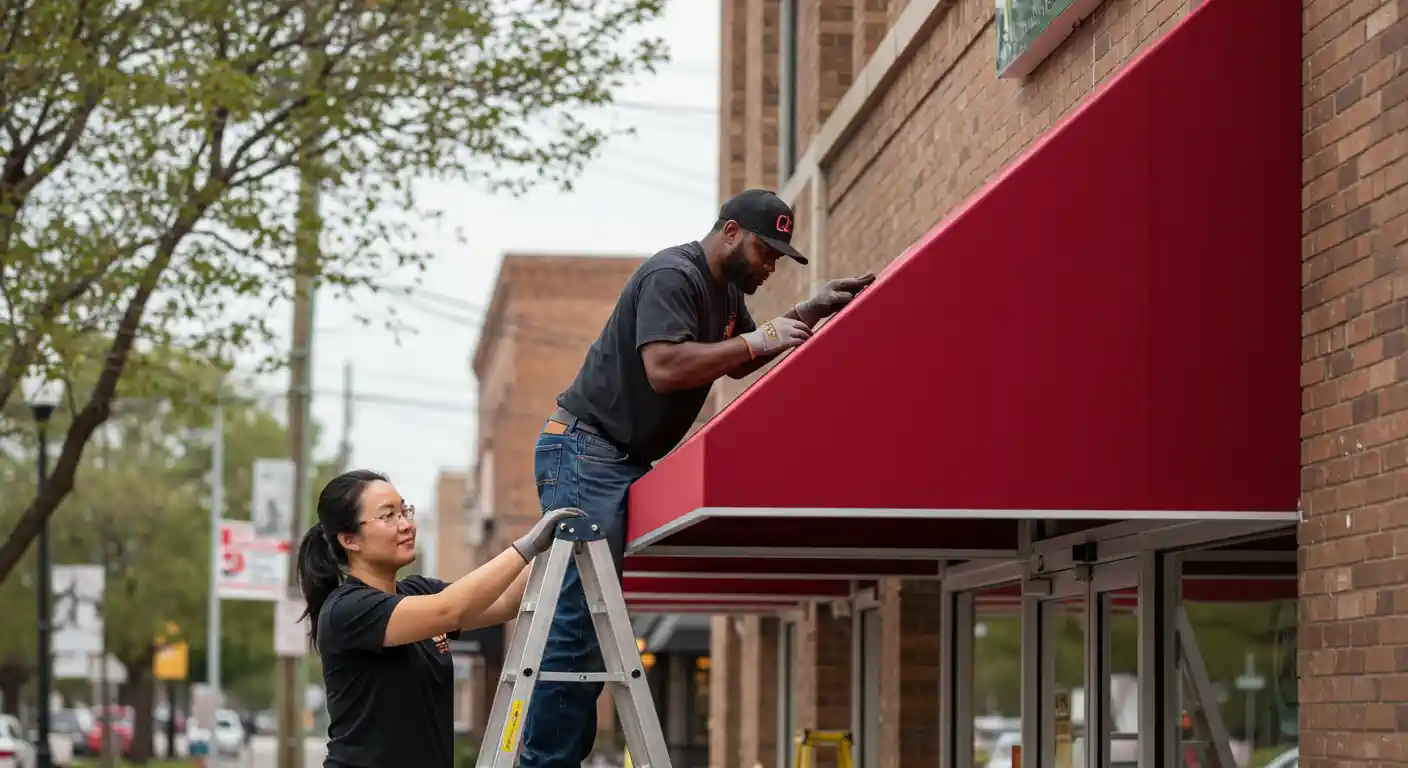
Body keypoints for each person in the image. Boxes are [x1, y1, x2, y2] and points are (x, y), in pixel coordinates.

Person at [519, 189, 875, 766]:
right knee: (578, 618)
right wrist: (759, 338)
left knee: (589, 619)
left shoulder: (726, 292)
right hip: (585, 453)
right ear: (731, 232)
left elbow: (737, 354)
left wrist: (808, 311)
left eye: (780, 257)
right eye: (766, 250)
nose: (770, 265)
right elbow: (664, 368)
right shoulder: (673, 275)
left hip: (615, 459)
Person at [296, 469, 586, 768]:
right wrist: (528, 545)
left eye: (404, 510)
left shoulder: (417, 591)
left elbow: (506, 601)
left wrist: (558, 545)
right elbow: (450, 609)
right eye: (388, 516)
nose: (406, 524)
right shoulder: (348, 609)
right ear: (350, 540)